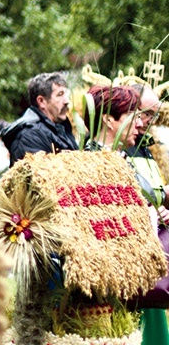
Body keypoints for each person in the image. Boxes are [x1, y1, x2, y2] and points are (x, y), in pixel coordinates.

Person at [83, 84, 169, 345]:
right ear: (110, 120)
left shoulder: (120, 158)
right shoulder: (90, 162)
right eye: (133, 115)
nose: (140, 123)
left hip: (139, 281)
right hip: (116, 288)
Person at [1, 71, 79, 166]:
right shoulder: (30, 135)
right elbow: (45, 177)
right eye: (60, 95)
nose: (67, 101)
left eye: (65, 94)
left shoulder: (61, 128)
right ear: (41, 101)